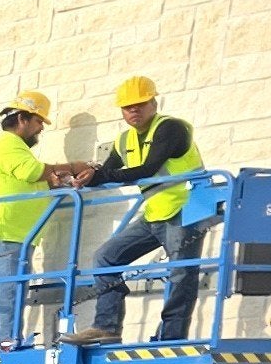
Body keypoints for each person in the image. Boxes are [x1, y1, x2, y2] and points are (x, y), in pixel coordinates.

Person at [69, 74, 209, 343]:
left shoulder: (171, 128)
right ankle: (107, 327)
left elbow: (147, 169)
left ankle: (171, 337)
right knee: (106, 258)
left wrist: (100, 175)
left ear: (154, 103)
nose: (134, 110)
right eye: (127, 106)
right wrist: (85, 177)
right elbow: (107, 171)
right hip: (155, 213)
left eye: (140, 104)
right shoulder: (125, 140)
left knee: (182, 272)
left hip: (187, 209)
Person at [0, 91, 68, 350]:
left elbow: (28, 182)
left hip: (5, 236)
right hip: (4, 235)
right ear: (23, 119)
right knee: (8, 296)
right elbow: (32, 171)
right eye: (38, 122)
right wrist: (74, 167)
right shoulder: (9, 143)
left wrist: (55, 183)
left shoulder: (8, 148)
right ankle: (7, 349)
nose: (40, 129)